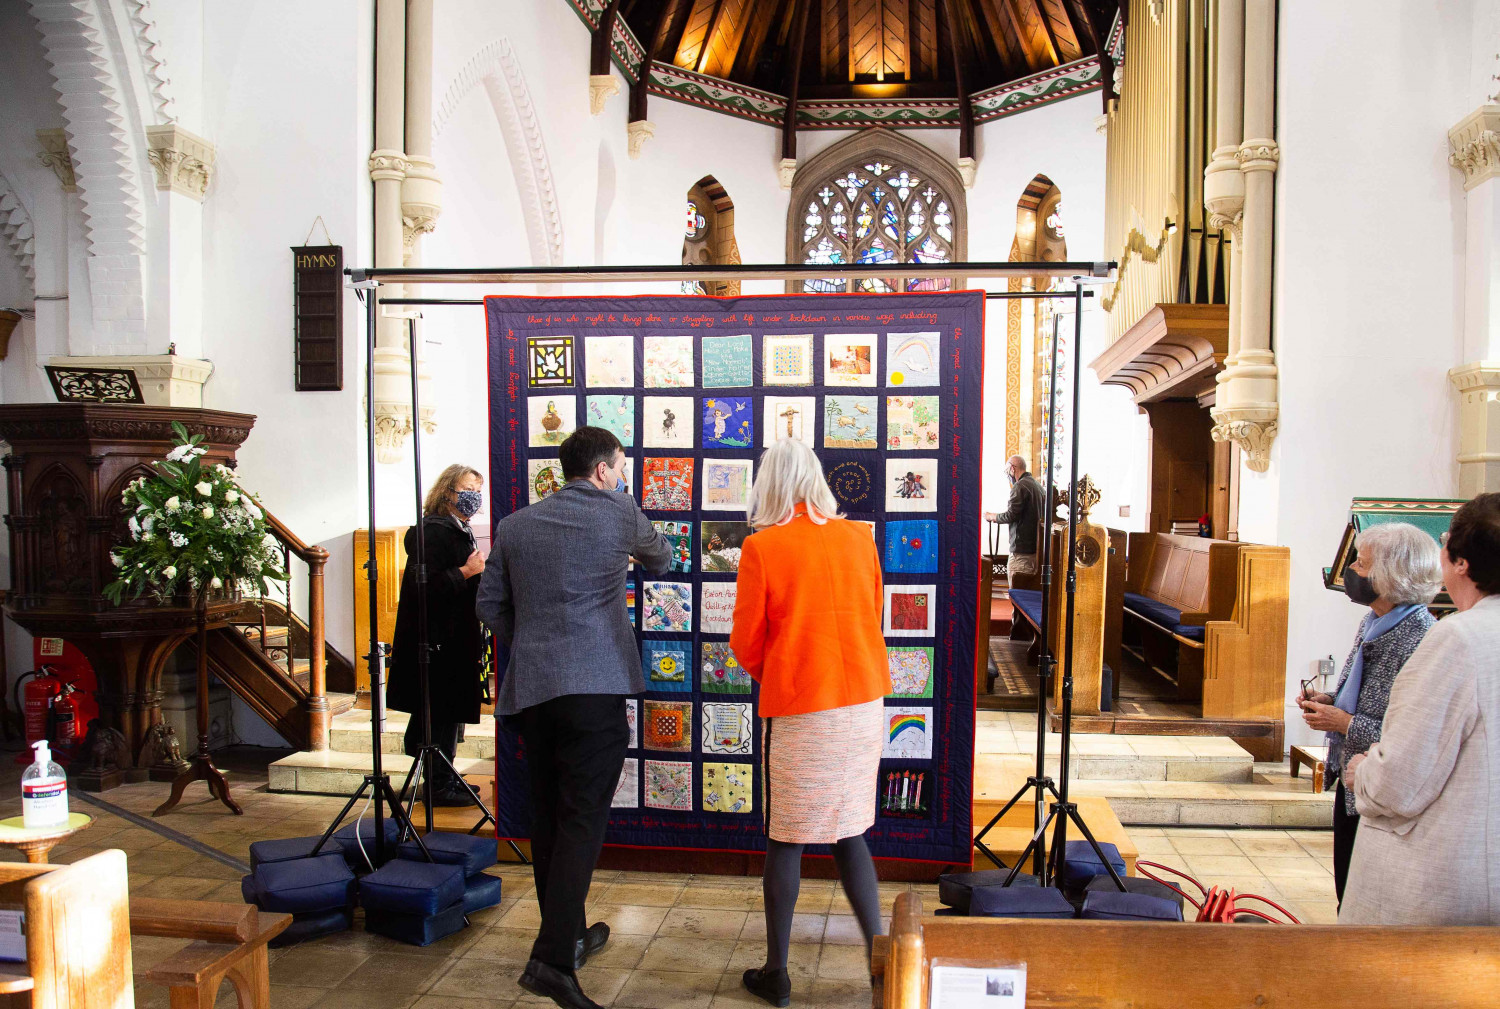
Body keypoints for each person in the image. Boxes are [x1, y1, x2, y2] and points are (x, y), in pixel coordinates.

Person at [477, 426, 671, 1009]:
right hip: (595, 687)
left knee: (549, 820)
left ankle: (569, 933)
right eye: (619, 466)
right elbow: (660, 559)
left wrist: (534, 640)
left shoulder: (514, 525)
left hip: (535, 692)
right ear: (605, 469)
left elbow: (489, 604)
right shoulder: (618, 511)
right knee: (582, 821)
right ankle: (553, 962)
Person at [730, 438, 892, 1008]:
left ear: (768, 483)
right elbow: (873, 612)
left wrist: (785, 668)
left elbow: (746, 645)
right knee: (850, 829)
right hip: (863, 703)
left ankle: (777, 973)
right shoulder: (858, 537)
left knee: (787, 838)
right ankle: (883, 964)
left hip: (803, 706)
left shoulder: (763, 547)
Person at [1341, 493, 1500, 925]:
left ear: (1459, 561)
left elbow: (1400, 783)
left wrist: (1362, 772)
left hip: (1446, 877)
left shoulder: (1458, 640)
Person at [1296, 522, 1439, 905]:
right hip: (1351, 776)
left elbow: (1412, 734)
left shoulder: (1421, 637)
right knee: (1347, 886)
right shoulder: (1375, 621)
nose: (1351, 573)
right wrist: (1331, 701)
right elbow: (1363, 693)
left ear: (1392, 576)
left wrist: (1343, 723)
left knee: (1365, 896)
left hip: (1381, 785)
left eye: (1361, 563)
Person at [387, 464, 487, 807]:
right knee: (439, 711)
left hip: (456, 637)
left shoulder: (459, 529)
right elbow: (423, 588)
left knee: (451, 712)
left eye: (478, 489)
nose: (475, 496)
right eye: (468, 489)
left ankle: (445, 776)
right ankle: (436, 785)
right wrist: (467, 571)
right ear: (447, 492)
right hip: (438, 640)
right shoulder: (431, 531)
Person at [985, 455, 1044, 578]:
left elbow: (1012, 515)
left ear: (1012, 468)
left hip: (1021, 552)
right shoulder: (1038, 486)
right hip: (1036, 549)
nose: (1008, 475)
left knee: (1016, 589)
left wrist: (993, 517)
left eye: (1007, 471)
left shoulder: (1020, 486)